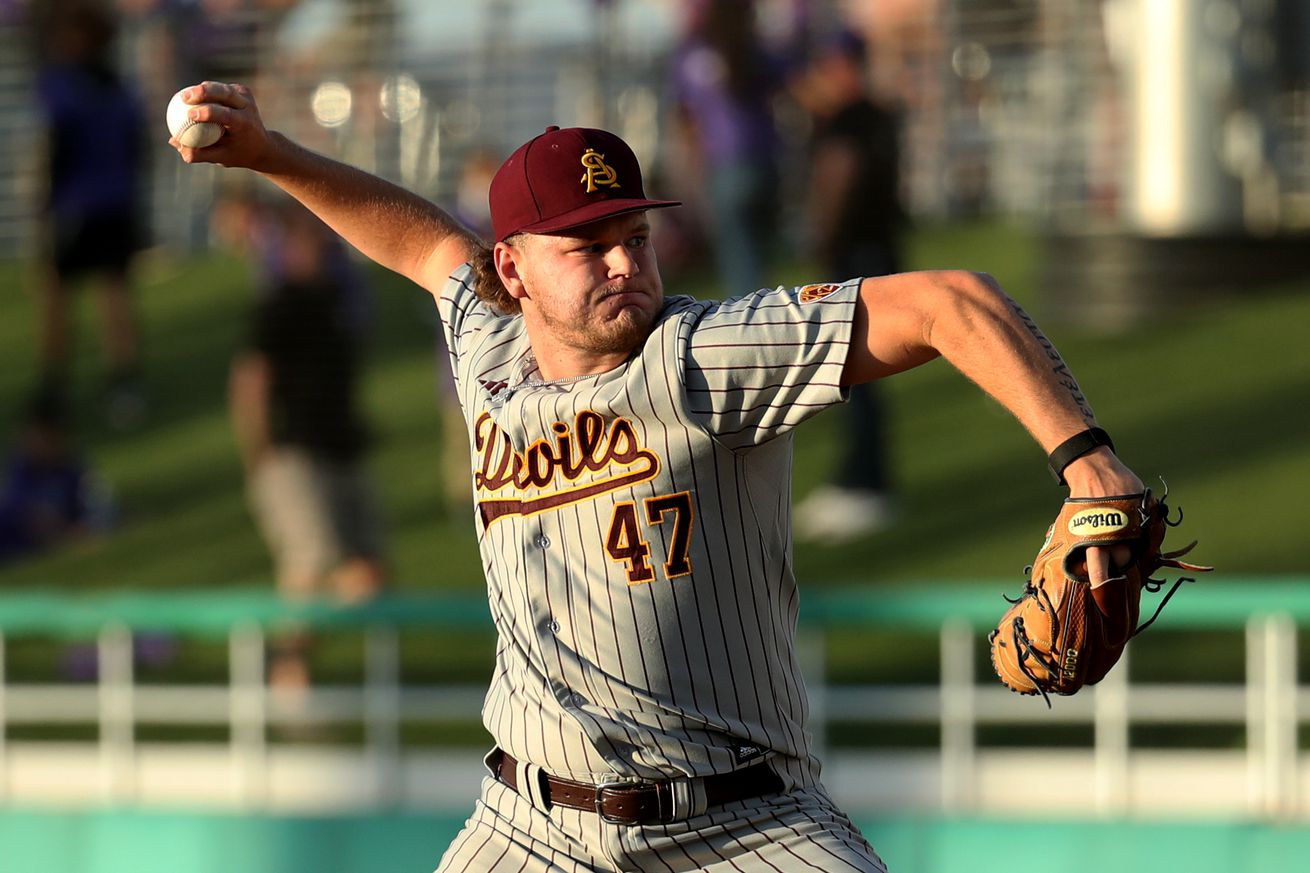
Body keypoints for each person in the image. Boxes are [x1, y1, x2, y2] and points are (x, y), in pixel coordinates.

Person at [170, 81, 1145, 872]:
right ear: (509, 270)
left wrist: (1086, 464)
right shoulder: (487, 345)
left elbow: (948, 302)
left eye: (631, 238)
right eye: (585, 245)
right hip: (529, 827)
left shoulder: (704, 356)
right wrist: (269, 156)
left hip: (742, 828)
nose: (620, 264)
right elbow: (419, 241)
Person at [220, 192, 387, 691]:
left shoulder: (338, 302)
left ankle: (284, 653)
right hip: (294, 454)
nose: (322, 245)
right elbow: (250, 381)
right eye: (312, 236)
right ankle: (286, 670)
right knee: (310, 563)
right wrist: (260, 454)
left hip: (344, 451)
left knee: (371, 579)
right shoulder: (279, 304)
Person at [791, 28, 906, 542]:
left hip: (855, 258)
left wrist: (821, 240)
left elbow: (840, 173)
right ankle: (860, 479)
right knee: (862, 376)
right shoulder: (880, 115)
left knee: (853, 373)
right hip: (879, 251)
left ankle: (865, 486)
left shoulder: (848, 121)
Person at [32, 0, 148, 429]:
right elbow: (139, 151)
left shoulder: (60, 85)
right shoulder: (120, 87)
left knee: (59, 296)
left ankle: (56, 386)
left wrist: (44, 205)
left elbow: (55, 148)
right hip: (117, 203)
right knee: (113, 293)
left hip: (77, 207)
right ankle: (124, 385)